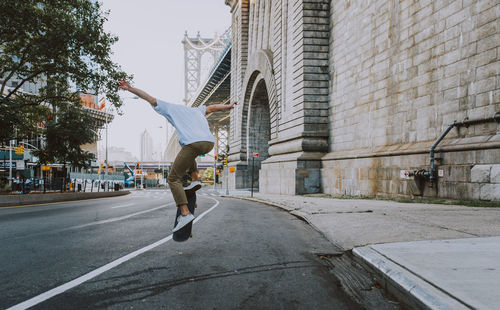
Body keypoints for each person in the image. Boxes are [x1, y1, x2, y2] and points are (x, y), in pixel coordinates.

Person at [118, 80, 236, 232]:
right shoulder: (197, 110)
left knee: (173, 178)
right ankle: (195, 178)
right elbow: (213, 107)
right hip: (208, 143)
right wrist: (229, 106)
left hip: (193, 144)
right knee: (185, 146)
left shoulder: (169, 108)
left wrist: (130, 88)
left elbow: (149, 98)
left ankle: (185, 212)